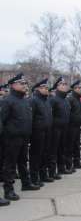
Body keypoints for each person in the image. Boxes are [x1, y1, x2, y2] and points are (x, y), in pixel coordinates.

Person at [1, 73, 40, 201]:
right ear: (13, 85)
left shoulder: (24, 100)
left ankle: (26, 183)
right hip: (11, 138)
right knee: (10, 165)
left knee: (23, 162)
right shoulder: (7, 101)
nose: (24, 86)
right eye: (21, 83)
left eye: (25, 84)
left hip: (24, 137)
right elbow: (2, 120)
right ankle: (8, 190)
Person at [29, 78, 53, 187]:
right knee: (36, 155)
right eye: (45, 88)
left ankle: (43, 175)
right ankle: (34, 178)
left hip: (47, 132)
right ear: (39, 88)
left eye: (48, 88)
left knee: (45, 154)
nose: (47, 89)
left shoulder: (46, 100)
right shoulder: (34, 100)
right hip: (37, 133)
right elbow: (31, 118)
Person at [49, 77, 71, 179]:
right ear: (57, 86)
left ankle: (61, 168)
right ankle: (52, 171)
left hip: (65, 128)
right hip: (55, 129)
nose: (65, 86)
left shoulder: (66, 100)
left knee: (63, 149)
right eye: (62, 84)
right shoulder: (53, 100)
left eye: (65, 84)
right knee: (53, 150)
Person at [66, 80, 81, 170]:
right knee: (70, 146)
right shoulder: (70, 99)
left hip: (77, 126)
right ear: (74, 89)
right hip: (71, 126)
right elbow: (68, 113)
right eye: (78, 88)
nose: (80, 89)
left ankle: (77, 162)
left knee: (77, 145)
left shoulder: (79, 100)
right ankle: (69, 165)